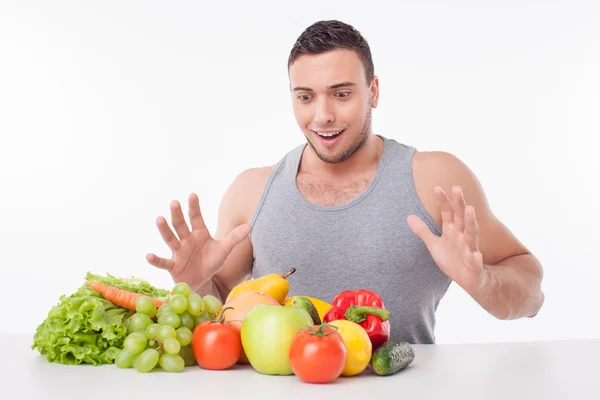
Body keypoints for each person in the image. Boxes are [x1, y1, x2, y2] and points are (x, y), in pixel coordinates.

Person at [145, 20, 545, 344]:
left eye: (340, 94)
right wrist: (196, 283)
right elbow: (222, 317)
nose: (323, 116)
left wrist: (483, 282)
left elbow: (531, 291)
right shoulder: (251, 192)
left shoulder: (434, 179)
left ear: (372, 92)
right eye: (305, 97)